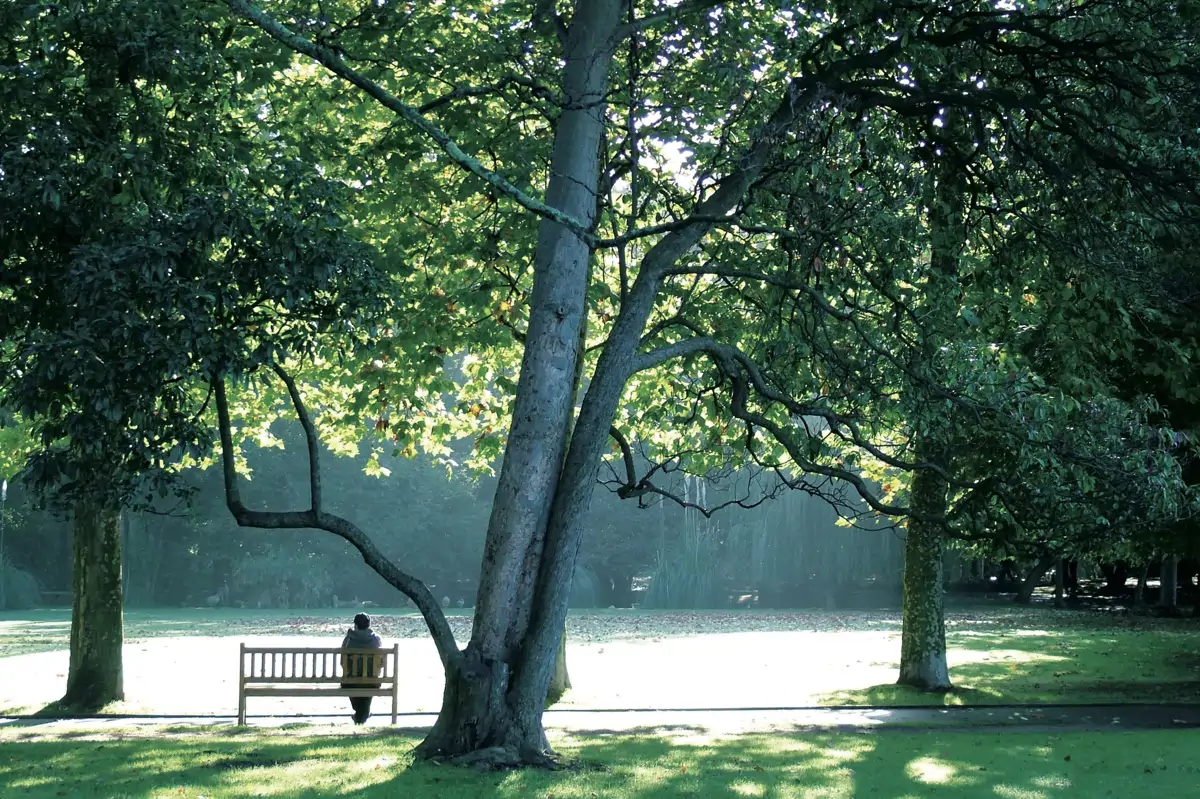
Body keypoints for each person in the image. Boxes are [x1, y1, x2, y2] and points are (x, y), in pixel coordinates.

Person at [340, 613, 383, 724]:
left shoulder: (348, 640)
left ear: (356, 625)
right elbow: (381, 663)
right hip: (372, 682)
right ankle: (362, 715)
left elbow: (342, 662)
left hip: (350, 682)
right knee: (368, 684)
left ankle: (360, 715)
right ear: (369, 625)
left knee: (350, 683)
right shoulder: (376, 640)